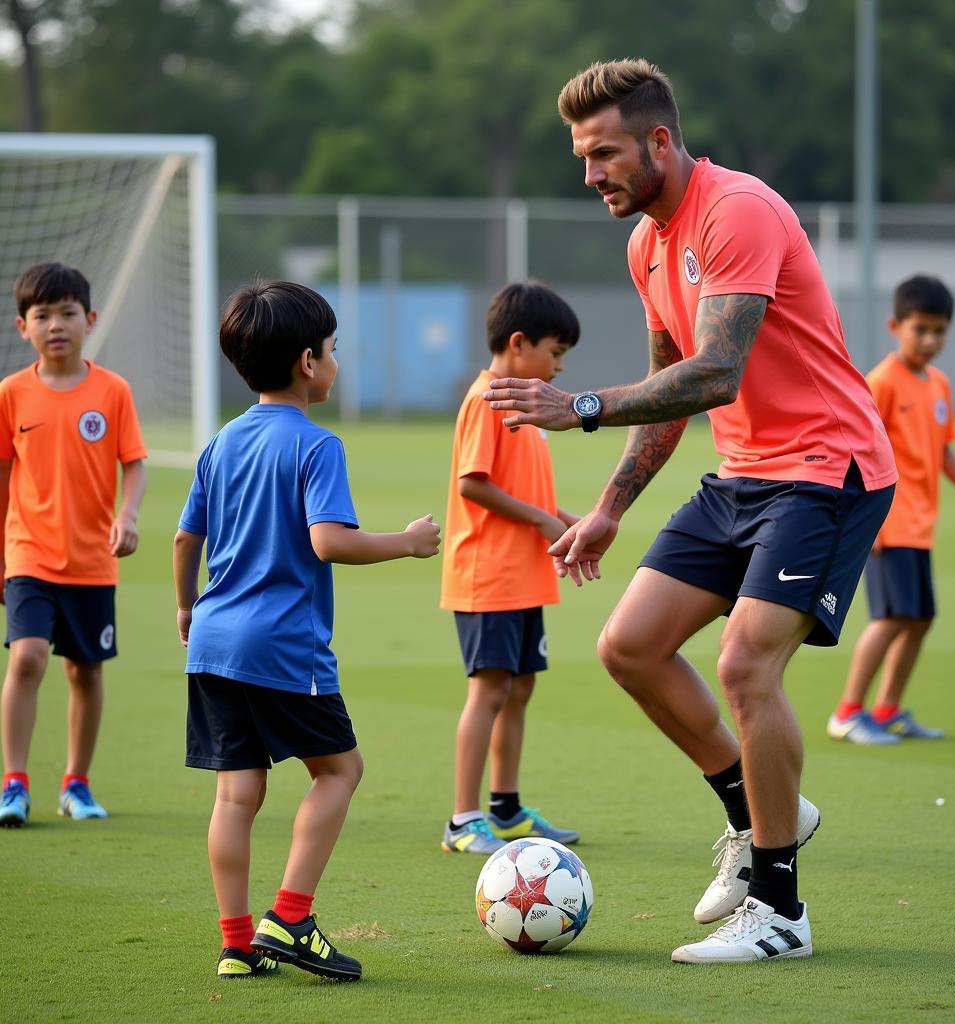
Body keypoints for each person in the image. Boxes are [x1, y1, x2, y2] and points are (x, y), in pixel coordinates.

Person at [484, 59, 898, 964]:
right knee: (628, 646)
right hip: (745, 476)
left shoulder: (737, 209)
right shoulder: (646, 244)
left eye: (605, 154)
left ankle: (781, 912)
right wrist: (607, 510)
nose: (591, 174)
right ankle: (756, 817)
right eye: (582, 157)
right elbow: (676, 395)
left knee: (747, 662)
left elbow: (716, 370)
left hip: (829, 470)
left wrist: (582, 407)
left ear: (660, 142)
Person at [173, 281, 440, 980]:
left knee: (236, 794)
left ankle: (236, 944)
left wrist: (184, 608)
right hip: (281, 645)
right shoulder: (317, 446)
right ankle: (290, 916)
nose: (336, 360)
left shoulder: (221, 443)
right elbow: (329, 542)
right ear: (307, 362)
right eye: (334, 349)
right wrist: (407, 543)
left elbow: (184, 540)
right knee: (340, 770)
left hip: (212, 641)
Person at [0, 263, 147, 828]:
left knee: (85, 671)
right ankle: (14, 782)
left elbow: (133, 463)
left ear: (89, 320)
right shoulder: (12, 394)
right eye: (43, 315)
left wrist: (127, 515)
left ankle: (76, 784)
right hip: (28, 553)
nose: (55, 325)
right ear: (23, 327)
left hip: (92, 561)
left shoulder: (112, 392)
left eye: (66, 314)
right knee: (29, 656)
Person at [440, 281, 581, 854]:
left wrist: (568, 522)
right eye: (555, 352)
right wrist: (545, 524)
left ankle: (505, 808)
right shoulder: (487, 399)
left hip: (522, 574)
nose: (558, 366)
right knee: (490, 691)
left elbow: (525, 491)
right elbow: (473, 485)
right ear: (518, 344)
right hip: (488, 574)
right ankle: (462, 819)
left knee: (519, 688)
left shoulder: (521, 405)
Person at [829, 276, 955, 745]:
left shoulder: (938, 383)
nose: (929, 340)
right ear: (895, 325)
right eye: (920, 329)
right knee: (891, 619)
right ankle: (847, 712)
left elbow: (942, 450)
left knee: (920, 619)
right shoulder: (880, 383)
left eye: (939, 331)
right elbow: (854, 452)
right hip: (890, 523)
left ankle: (887, 710)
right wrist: (867, 522)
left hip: (921, 526)